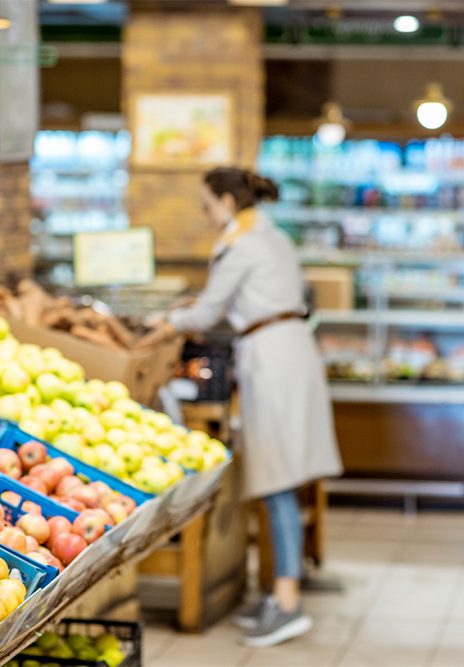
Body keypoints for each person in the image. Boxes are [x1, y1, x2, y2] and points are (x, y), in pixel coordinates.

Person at [143, 166, 344, 648]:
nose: (205, 214)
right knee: (284, 480)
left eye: (208, 205)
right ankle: (281, 592)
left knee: (276, 483)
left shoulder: (242, 244)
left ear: (228, 203)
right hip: (287, 354)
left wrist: (162, 324)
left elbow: (210, 312)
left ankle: (288, 602)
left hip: (274, 363)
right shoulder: (268, 235)